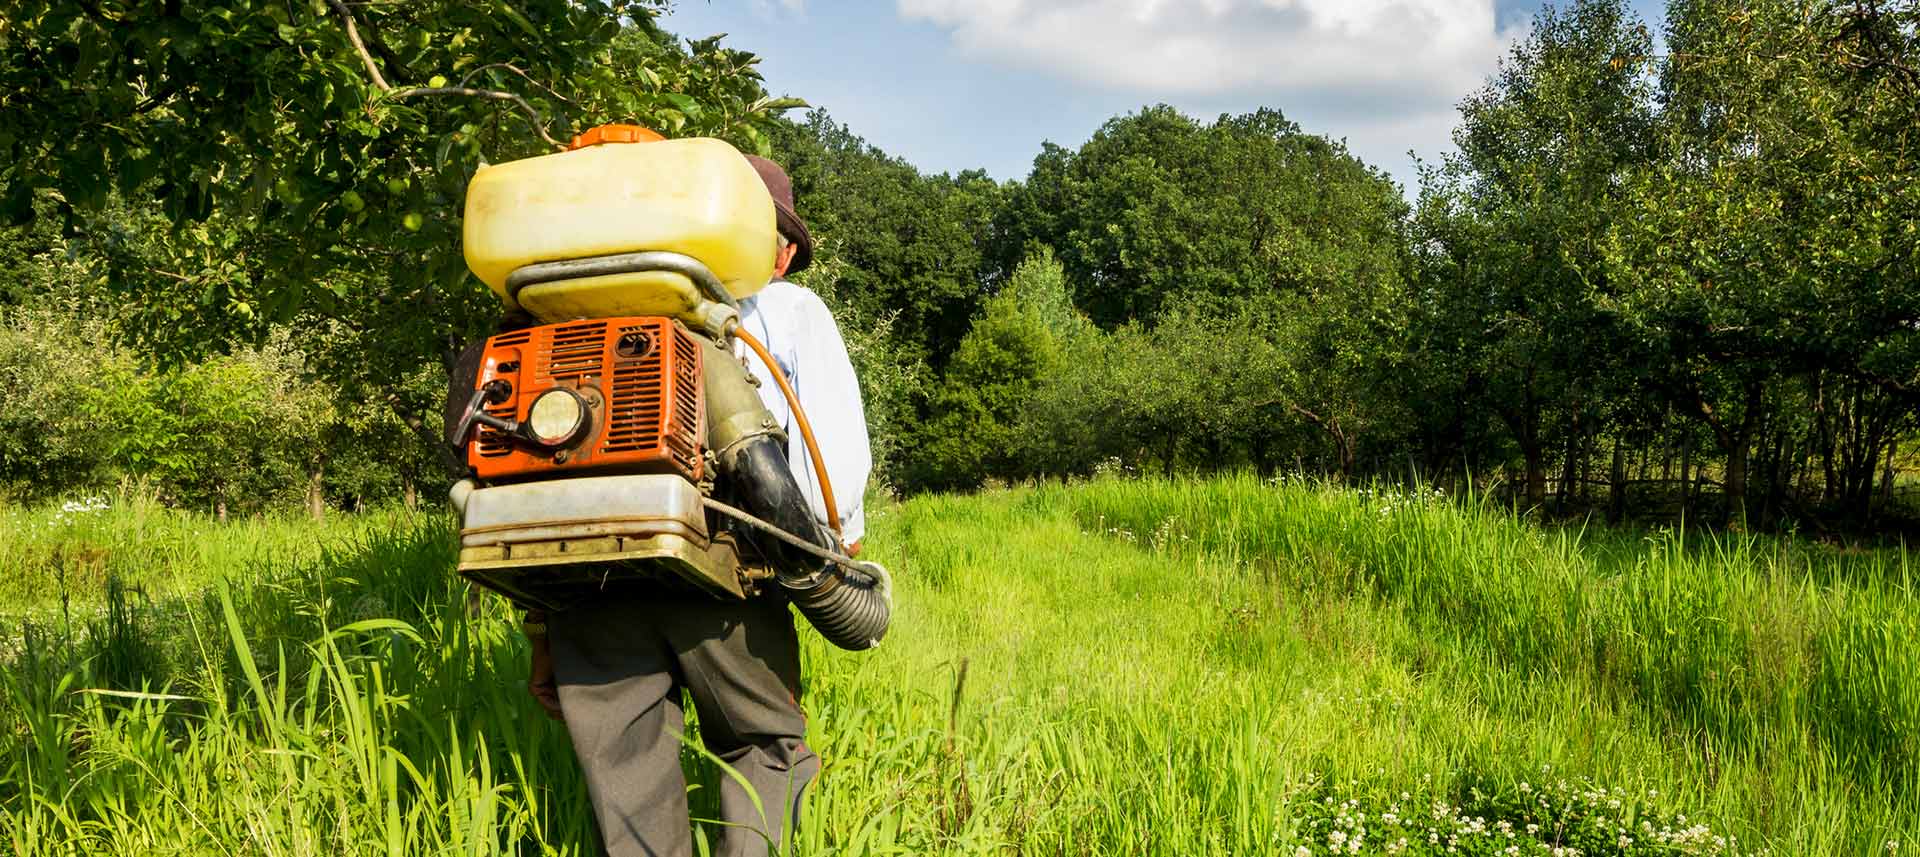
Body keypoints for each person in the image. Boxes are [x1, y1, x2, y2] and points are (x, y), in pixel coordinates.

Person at [523, 154, 873, 857]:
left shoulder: (570, 314)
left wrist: (540, 628)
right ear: (771, 246)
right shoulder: (789, 311)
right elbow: (832, 461)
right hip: (728, 572)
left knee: (624, 770)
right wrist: (833, 555)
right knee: (763, 742)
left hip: (584, 577)